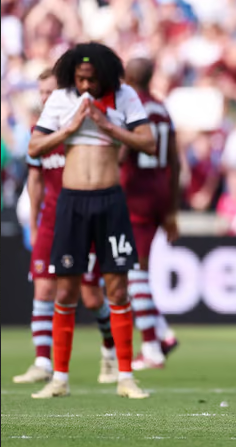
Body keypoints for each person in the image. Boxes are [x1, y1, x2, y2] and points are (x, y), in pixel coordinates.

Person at [27, 42, 156, 399]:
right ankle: (60, 378)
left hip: (110, 201)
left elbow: (148, 142)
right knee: (66, 290)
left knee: (117, 288)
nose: (86, 87)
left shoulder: (124, 95)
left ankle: (126, 376)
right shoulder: (62, 98)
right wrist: (68, 130)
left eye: (92, 80)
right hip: (72, 202)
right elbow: (34, 148)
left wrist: (105, 125)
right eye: (80, 79)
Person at [13, 69, 119, 386]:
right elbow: (35, 181)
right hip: (50, 221)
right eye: (41, 93)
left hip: (83, 219)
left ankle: (110, 347)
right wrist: (33, 224)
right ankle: (43, 362)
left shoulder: (83, 130)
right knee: (44, 288)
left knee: (90, 297)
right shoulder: (39, 132)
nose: (44, 98)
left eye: (49, 92)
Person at [121, 57, 180, 370]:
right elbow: (175, 160)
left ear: (126, 77)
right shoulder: (160, 108)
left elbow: (122, 153)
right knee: (129, 272)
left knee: (133, 272)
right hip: (159, 192)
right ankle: (164, 334)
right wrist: (172, 210)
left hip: (135, 194)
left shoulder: (130, 108)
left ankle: (151, 349)